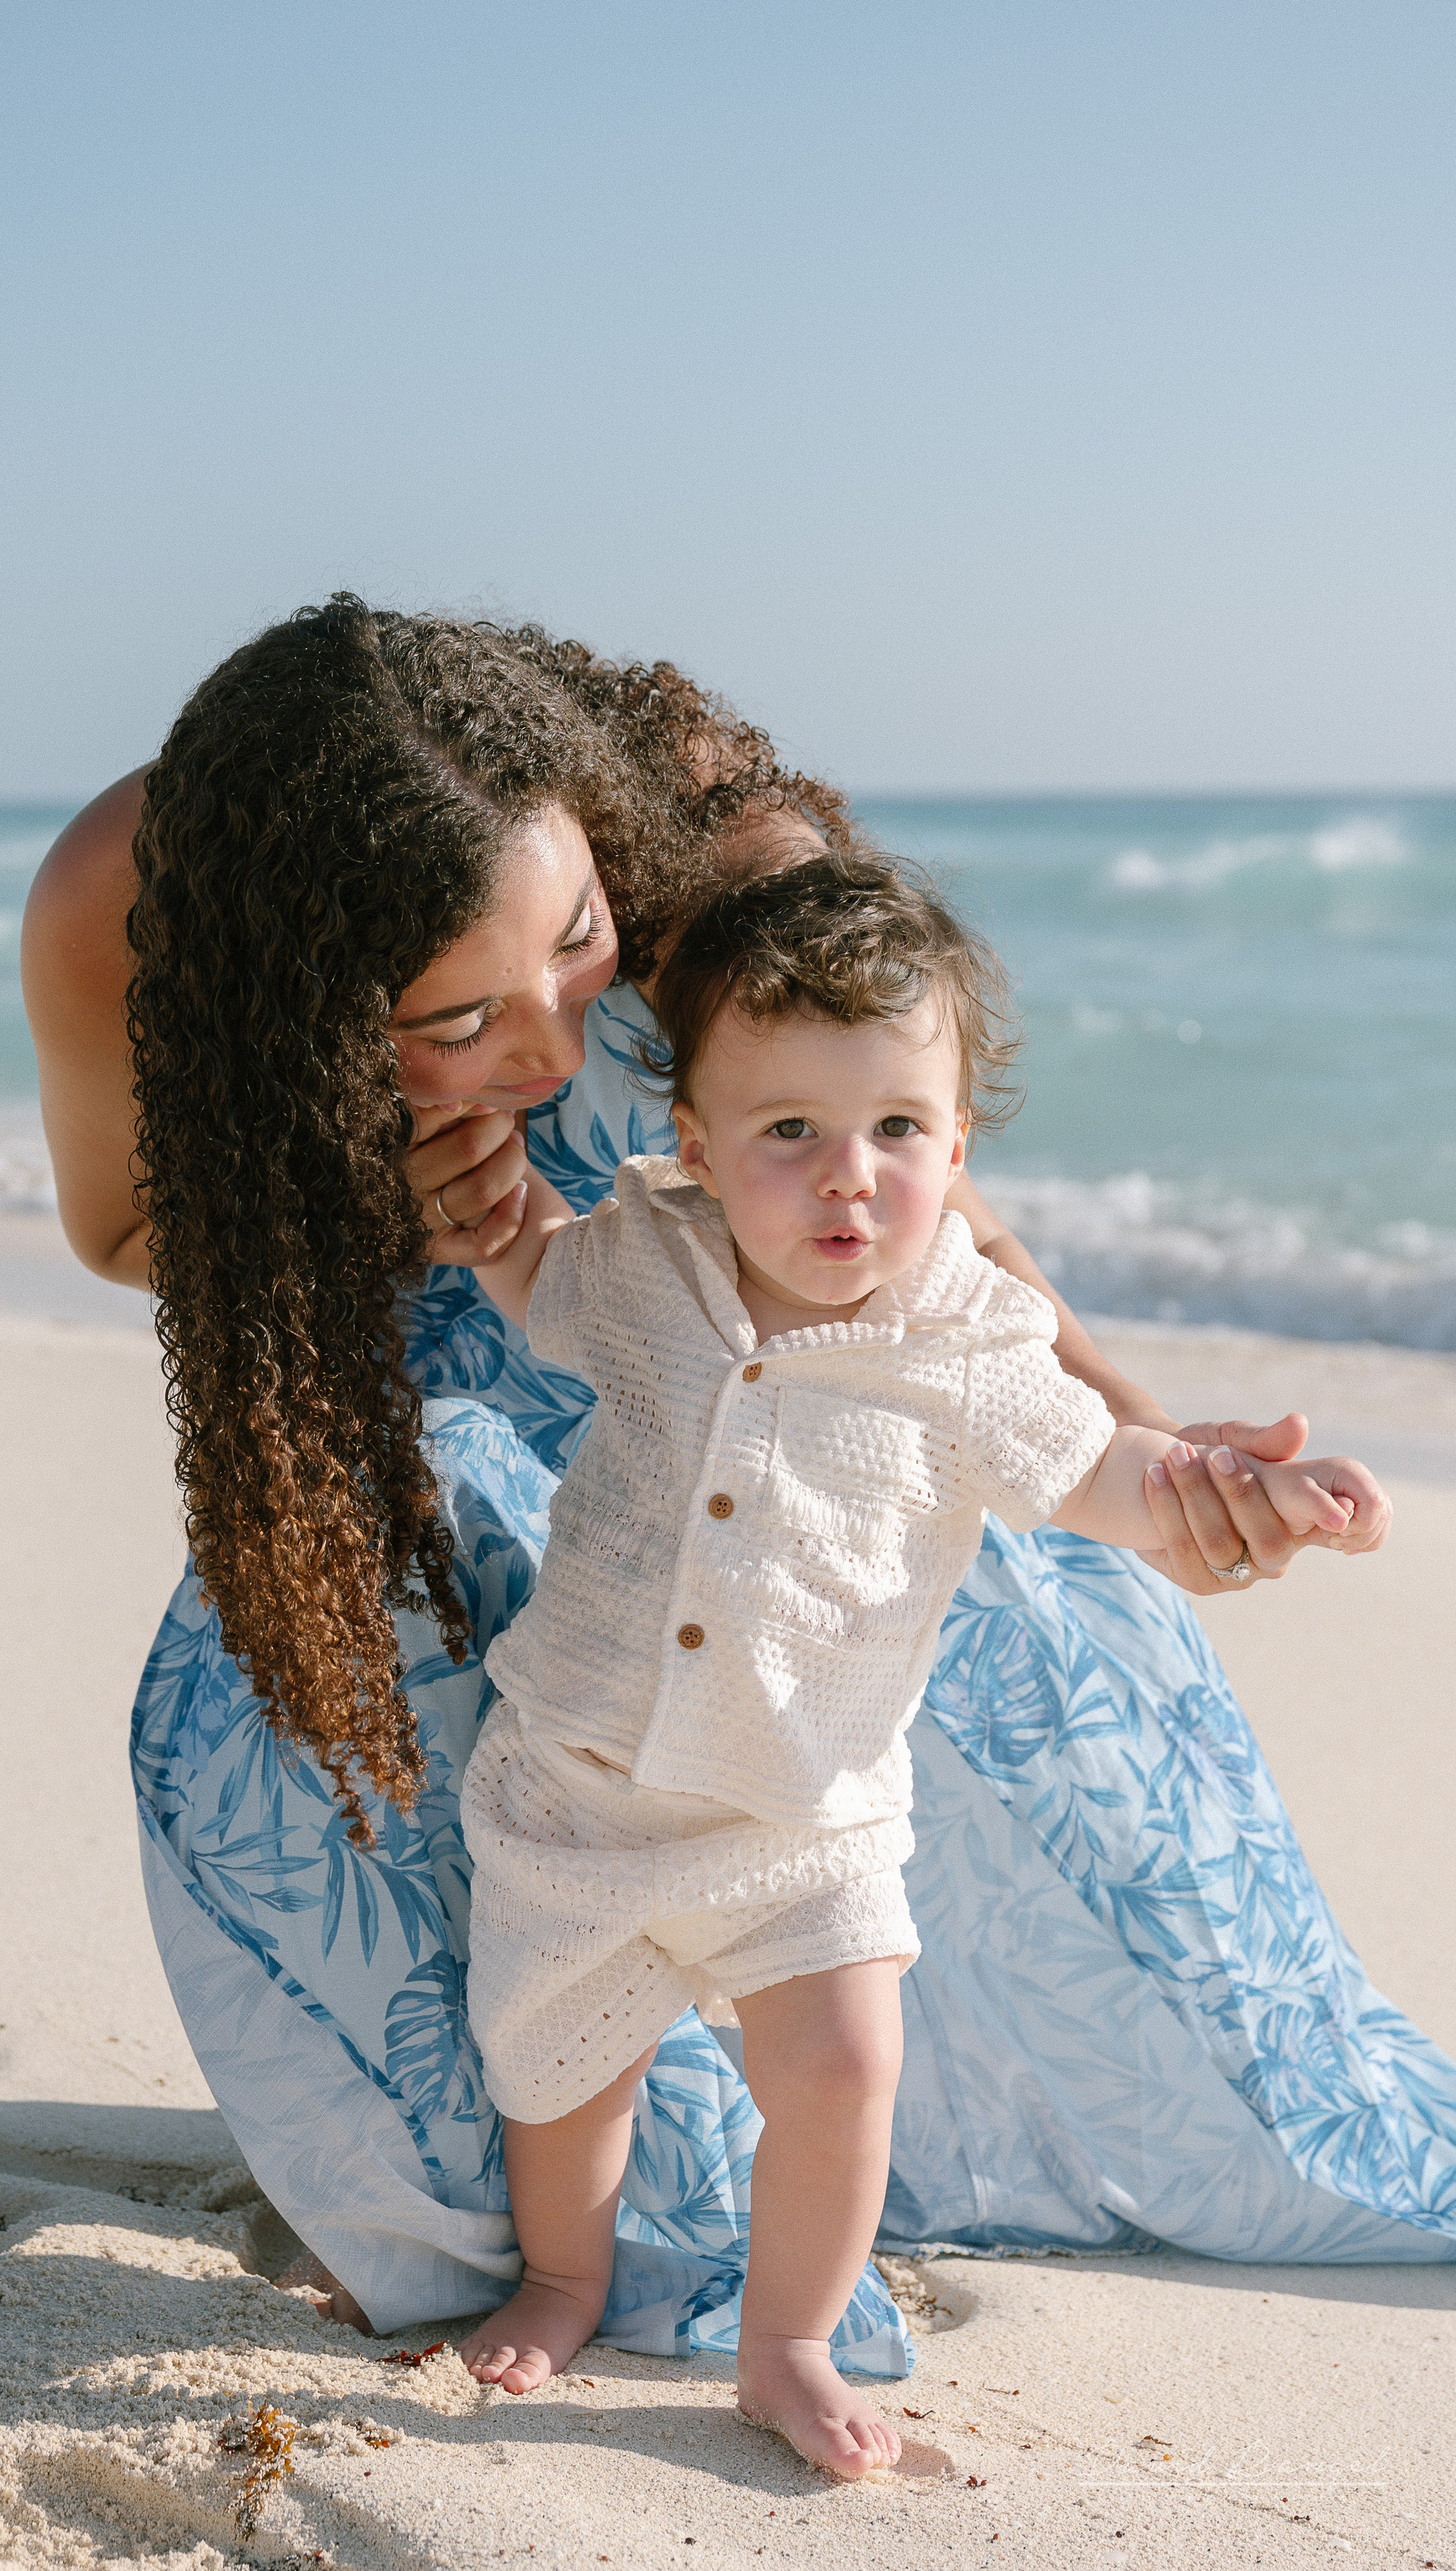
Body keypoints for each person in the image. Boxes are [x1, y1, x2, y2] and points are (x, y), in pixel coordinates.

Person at [21, 598, 1444, 2380]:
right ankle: (519, 2190)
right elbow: (123, 1228)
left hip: (791, 1319)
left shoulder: (709, 830)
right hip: (436, 1320)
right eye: (459, 1013)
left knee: (1001, 1633)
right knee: (417, 1609)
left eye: (581, 947)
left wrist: (1137, 1433)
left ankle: (882, 2099)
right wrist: (382, 1195)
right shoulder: (111, 911)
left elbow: (923, 1202)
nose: (545, 1054)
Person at [450, 855, 1373, 2471]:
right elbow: (531, 1273)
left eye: (894, 1132)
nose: (845, 1180)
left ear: (956, 1147)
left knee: (844, 2059)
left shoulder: (966, 1347)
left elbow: (1109, 1475)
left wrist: (1248, 1496)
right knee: (557, 2074)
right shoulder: (647, 1261)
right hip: (580, 1785)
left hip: (803, 1821)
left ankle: (790, 2339)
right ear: (696, 1146)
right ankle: (562, 2276)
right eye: (787, 1132)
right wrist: (475, 1203)